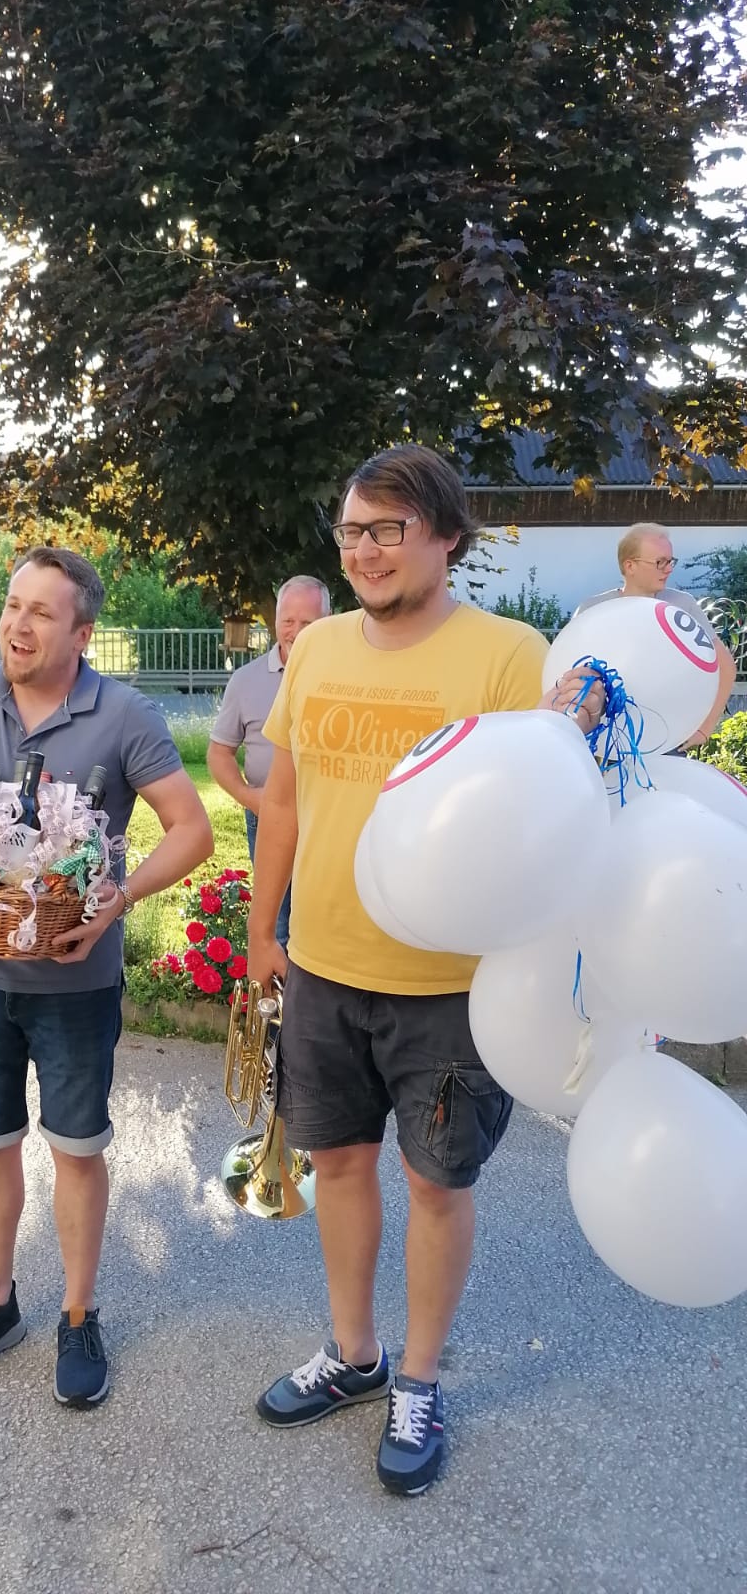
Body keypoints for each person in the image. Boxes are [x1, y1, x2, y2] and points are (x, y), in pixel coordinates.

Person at [246, 445, 603, 1497]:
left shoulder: (507, 656)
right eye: (351, 531)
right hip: (325, 969)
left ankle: (419, 1377)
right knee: (339, 1165)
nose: (365, 550)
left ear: (446, 536)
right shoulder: (315, 649)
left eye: (388, 530)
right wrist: (264, 929)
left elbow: (546, 810)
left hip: (453, 987)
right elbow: (284, 801)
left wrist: (574, 729)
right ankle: (354, 1353)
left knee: (437, 1184)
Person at [0, 546, 213, 1409]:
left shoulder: (125, 715)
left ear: (82, 633)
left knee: (77, 1150)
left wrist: (120, 895)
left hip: (76, 984)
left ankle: (79, 1313)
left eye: (41, 612)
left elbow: (191, 829)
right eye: (12, 604)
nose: (16, 625)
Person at [206, 576, 331, 948]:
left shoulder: (347, 677)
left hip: (329, 817)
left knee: (325, 921)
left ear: (329, 620)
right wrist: (251, 798)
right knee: (276, 922)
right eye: (288, 621)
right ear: (275, 621)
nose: (296, 631)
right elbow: (218, 753)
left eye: (308, 622)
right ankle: (275, 987)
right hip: (267, 816)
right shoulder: (245, 681)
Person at [571, 522, 735, 746]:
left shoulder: (682, 606)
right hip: (602, 739)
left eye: (670, 561)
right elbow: (569, 673)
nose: (669, 569)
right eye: (660, 562)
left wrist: (703, 730)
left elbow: (725, 666)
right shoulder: (593, 610)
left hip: (666, 740)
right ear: (630, 566)